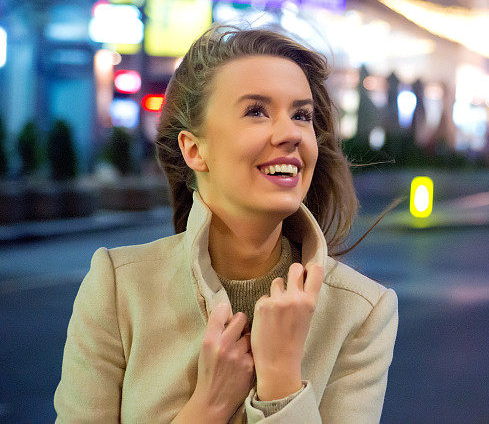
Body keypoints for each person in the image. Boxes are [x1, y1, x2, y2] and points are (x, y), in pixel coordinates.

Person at [54, 25, 400, 423]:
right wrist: (209, 406)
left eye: (302, 115)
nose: (291, 133)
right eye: (256, 111)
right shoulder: (118, 289)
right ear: (194, 149)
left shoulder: (360, 311)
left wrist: (283, 384)